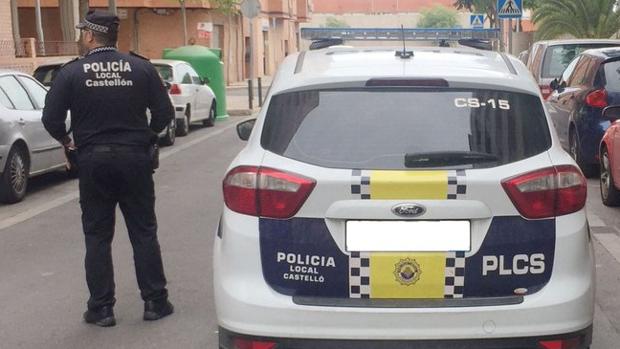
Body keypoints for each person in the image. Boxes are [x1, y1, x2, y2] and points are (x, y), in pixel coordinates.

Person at [42, 10, 175, 327]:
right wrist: (148, 136)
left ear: (90, 36)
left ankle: (101, 308)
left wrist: (67, 141)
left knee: (98, 236)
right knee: (143, 232)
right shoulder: (141, 68)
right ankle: (155, 302)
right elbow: (164, 113)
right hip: (135, 159)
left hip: (93, 161)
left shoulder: (72, 73)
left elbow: (51, 118)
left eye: (81, 34)